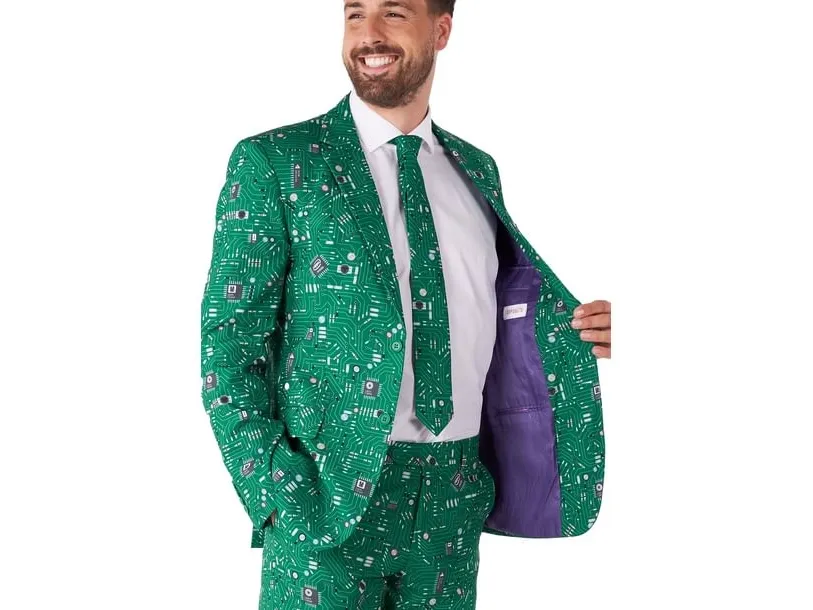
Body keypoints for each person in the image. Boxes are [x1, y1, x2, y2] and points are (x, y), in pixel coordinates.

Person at [200, 1, 612, 607]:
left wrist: (576, 332)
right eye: (354, 14)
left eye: (393, 12)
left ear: (441, 30)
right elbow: (228, 350)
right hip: (326, 495)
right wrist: (279, 491)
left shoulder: (477, 170)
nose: (368, 35)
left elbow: (494, 315)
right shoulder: (279, 162)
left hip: (454, 496)